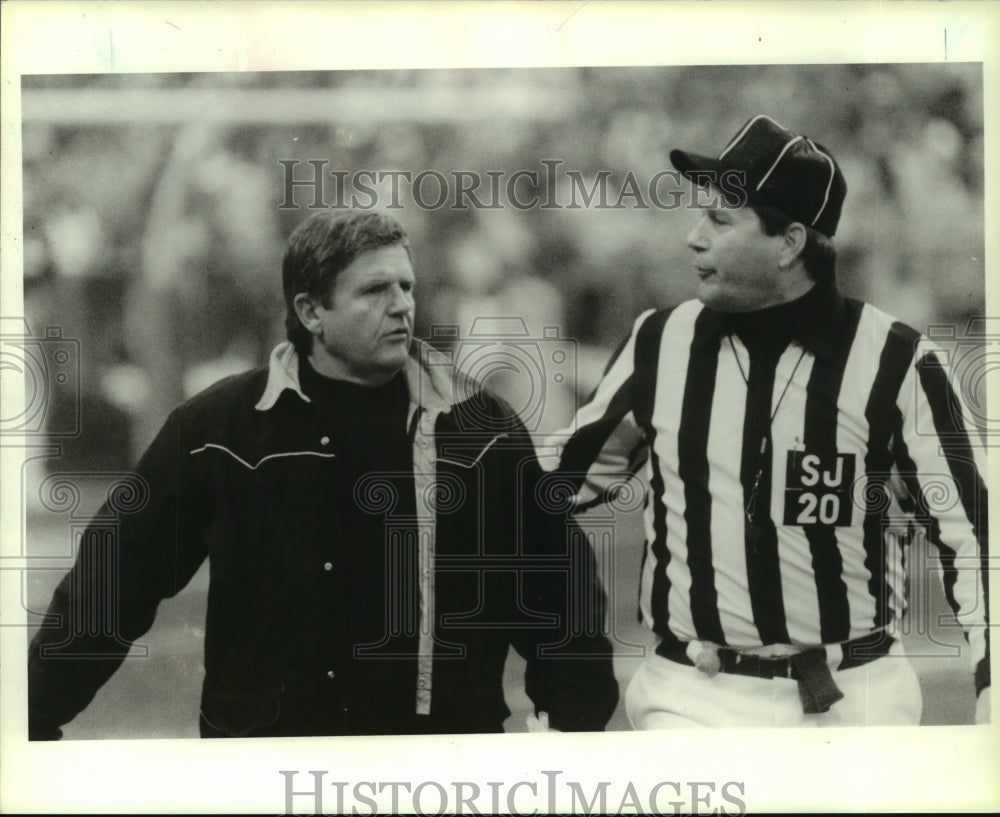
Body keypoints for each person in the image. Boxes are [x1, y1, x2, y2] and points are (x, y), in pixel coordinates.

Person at [28, 210, 618, 739]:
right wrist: (34, 716)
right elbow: (111, 584)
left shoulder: (482, 428)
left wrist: (573, 732)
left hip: (436, 770)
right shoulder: (217, 428)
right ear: (311, 311)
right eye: (374, 290)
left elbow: (557, 594)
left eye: (406, 286)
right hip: (263, 767)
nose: (402, 306)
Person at [548, 114, 990, 728]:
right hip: (690, 698)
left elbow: (976, 531)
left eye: (720, 220)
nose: (692, 238)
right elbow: (553, 482)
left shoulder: (899, 360)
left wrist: (993, 682)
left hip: (855, 695)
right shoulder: (658, 341)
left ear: (789, 243)